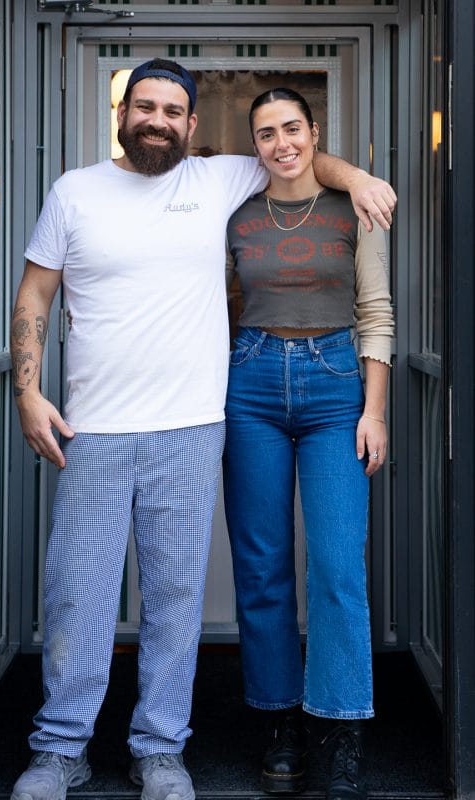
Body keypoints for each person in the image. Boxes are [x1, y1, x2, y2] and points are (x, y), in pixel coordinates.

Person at [9, 59, 396, 800]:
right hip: (111, 421)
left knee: (197, 594)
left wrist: (360, 178)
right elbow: (34, 292)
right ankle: (62, 748)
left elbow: (301, 161)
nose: (157, 119)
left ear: (192, 124)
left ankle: (174, 747)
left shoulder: (221, 181)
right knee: (81, 592)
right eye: (144, 106)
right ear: (124, 112)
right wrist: (29, 394)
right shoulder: (77, 192)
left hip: (212, 418)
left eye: (173, 110)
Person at [223, 87, 394, 800]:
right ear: (253, 144)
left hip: (333, 387)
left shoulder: (354, 205)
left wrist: (373, 410)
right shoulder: (231, 212)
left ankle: (340, 725)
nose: (280, 143)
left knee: (334, 565)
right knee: (261, 567)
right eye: (265, 133)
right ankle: (281, 722)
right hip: (250, 384)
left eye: (291, 128)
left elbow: (375, 310)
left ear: (312, 131)